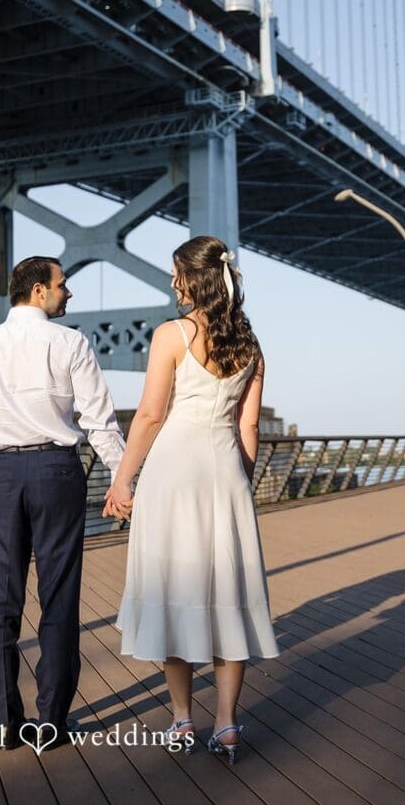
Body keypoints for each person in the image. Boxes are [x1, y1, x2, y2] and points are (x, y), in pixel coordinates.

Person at [103, 235, 279, 764]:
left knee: (176, 590)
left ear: (193, 279)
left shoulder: (171, 335)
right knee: (227, 593)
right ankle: (226, 725)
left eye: (177, 273)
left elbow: (151, 416)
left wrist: (122, 479)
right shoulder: (251, 347)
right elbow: (248, 426)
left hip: (173, 476)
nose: (173, 282)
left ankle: (182, 719)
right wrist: (237, 481)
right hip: (225, 475)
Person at [0, 256, 125, 752]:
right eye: (61, 284)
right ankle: (51, 723)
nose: (68, 292)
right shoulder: (71, 343)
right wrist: (124, 480)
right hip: (57, 472)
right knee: (59, 598)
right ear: (37, 291)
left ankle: (8, 722)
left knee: (0, 604)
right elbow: (100, 423)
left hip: (1, 477)